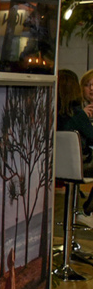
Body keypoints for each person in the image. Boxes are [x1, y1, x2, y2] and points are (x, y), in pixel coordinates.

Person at [56, 69, 93, 223]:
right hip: (79, 167)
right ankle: (88, 212)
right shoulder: (77, 114)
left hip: (58, 167)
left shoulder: (54, 114)